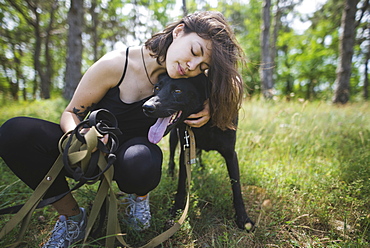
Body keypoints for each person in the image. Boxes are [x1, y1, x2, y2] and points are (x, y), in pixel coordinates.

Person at [0, 11, 245, 248]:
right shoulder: (115, 64)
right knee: (14, 133)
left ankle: (138, 200)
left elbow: (233, 80)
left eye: (203, 67)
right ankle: (72, 217)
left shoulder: (186, 74)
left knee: (142, 160)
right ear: (179, 31)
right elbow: (70, 113)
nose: (193, 65)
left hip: (134, 156)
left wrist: (213, 103)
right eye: (194, 52)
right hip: (92, 150)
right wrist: (81, 137)